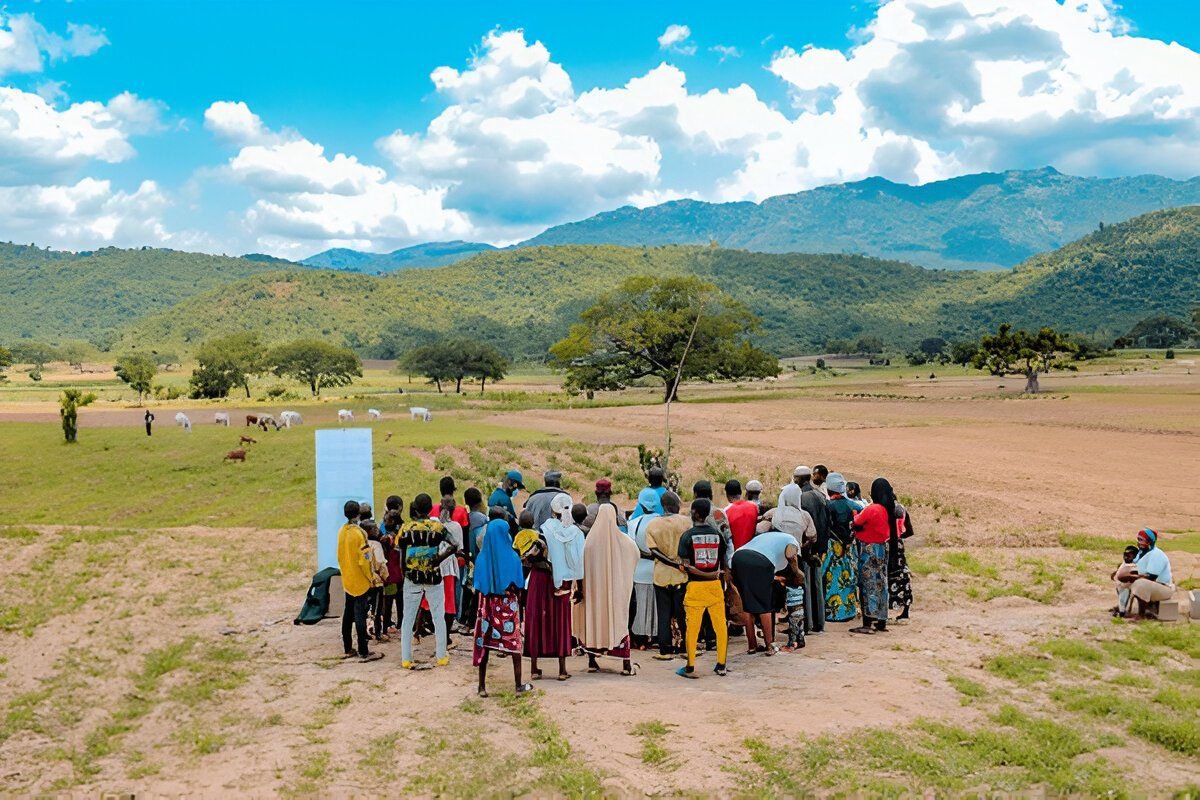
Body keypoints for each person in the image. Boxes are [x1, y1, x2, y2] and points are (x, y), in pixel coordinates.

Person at [473, 511, 531, 697]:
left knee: (485, 644)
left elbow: (477, 586)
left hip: (487, 606)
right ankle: (518, 685)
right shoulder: (513, 558)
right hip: (507, 606)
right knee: (513, 644)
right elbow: (519, 585)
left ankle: (482, 686)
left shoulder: (482, 559)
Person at [577, 504, 639, 675]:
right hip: (616, 593)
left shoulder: (589, 543)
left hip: (594, 593)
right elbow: (636, 554)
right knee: (618, 621)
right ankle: (626, 665)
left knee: (594, 621)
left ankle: (592, 661)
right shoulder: (625, 542)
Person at [397, 493, 456, 669]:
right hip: (433, 576)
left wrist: (404, 572)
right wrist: (439, 558)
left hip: (412, 577)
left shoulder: (406, 528)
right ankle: (441, 656)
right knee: (439, 616)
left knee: (408, 618)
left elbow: (401, 553)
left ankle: (406, 658)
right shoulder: (437, 527)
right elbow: (454, 544)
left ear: (415, 508)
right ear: (431, 508)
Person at [674, 498, 729, 679]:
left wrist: (696, 571)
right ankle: (721, 664)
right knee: (720, 627)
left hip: (695, 587)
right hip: (715, 587)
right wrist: (716, 576)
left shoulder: (687, 536)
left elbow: (685, 566)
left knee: (693, 629)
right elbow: (724, 562)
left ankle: (690, 667)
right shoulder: (717, 535)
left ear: (695, 513)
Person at [525, 493, 574, 681]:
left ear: (552, 510)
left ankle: (534, 668)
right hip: (562, 579)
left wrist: (545, 564)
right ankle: (562, 670)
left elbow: (531, 556)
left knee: (537, 618)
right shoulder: (572, 532)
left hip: (541, 579)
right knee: (560, 620)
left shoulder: (543, 531)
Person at [733, 528, 803, 656]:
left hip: (738, 558)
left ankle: (752, 646)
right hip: (759, 561)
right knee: (764, 605)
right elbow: (790, 554)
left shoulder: (770, 537)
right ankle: (770, 645)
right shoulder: (793, 542)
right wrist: (796, 570)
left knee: (747, 605)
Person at [850, 478, 901, 634]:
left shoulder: (873, 509)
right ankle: (881, 620)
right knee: (881, 584)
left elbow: (856, 522)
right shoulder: (889, 509)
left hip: (869, 549)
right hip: (882, 549)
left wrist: (854, 516)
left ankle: (867, 623)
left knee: (867, 585)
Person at [645, 492, 691, 661]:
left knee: (663, 613)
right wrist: (678, 563)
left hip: (661, 575)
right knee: (682, 612)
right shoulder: (686, 522)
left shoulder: (653, 524)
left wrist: (669, 562)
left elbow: (653, 551)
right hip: (682, 574)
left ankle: (665, 649)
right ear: (677, 505)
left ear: (662, 505)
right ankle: (685, 647)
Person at [337, 501, 382, 662]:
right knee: (360, 615)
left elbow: (339, 555)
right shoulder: (360, 533)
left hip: (347, 578)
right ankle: (364, 651)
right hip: (360, 580)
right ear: (358, 514)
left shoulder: (342, 531)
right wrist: (371, 577)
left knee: (348, 614)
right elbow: (365, 559)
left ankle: (348, 647)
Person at [795, 466, 829, 635]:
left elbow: (804, 526)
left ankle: (806, 623)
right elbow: (825, 524)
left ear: (799, 479)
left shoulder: (801, 498)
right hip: (819, 548)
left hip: (807, 547)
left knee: (805, 586)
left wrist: (805, 548)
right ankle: (819, 623)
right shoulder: (820, 496)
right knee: (817, 585)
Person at [823, 473, 860, 623]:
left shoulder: (828, 506)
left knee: (832, 578)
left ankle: (833, 612)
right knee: (847, 577)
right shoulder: (854, 506)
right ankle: (849, 610)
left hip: (833, 547)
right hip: (850, 548)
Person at [627, 489, 661, 649]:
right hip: (660, 569)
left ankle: (640, 637)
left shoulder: (634, 523)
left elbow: (631, 547)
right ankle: (656, 635)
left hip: (639, 570)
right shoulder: (662, 521)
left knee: (640, 605)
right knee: (658, 605)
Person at [1122, 528, 1174, 620]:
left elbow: (1151, 577)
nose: (1139, 542)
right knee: (1123, 581)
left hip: (1164, 589)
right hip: (1152, 586)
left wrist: (1131, 577)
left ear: (1149, 541)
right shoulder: (1141, 553)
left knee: (1140, 583)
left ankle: (1141, 614)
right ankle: (1122, 609)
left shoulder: (1156, 554)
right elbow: (1135, 567)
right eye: (1138, 539)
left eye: (1141, 540)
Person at [458, 487, 489, 633]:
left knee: (466, 588)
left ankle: (462, 618)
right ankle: (471, 621)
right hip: (477, 559)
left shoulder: (467, 517)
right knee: (475, 591)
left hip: (467, 557)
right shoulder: (482, 519)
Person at [437, 494, 465, 648]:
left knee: (435, 601)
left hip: (435, 565)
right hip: (448, 567)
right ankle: (445, 638)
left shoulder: (434, 524)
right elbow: (459, 549)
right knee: (449, 604)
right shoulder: (455, 527)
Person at [362, 520, 389, 642]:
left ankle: (364, 631)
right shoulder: (376, 545)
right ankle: (377, 632)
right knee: (377, 608)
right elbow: (379, 563)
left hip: (364, 580)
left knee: (365, 607)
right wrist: (385, 576)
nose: (377, 530)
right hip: (376, 581)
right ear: (369, 531)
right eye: (375, 528)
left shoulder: (361, 544)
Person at [888, 500, 915, 623]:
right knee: (903, 577)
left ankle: (884, 612)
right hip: (899, 546)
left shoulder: (884, 509)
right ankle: (905, 610)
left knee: (887, 577)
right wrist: (899, 536)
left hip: (887, 543)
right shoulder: (902, 509)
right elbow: (909, 531)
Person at [380, 508, 404, 636]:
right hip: (400, 574)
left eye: (387, 520)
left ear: (393, 521)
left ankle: (386, 625)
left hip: (390, 575)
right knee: (400, 600)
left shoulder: (386, 539)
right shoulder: (401, 535)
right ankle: (400, 622)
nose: (384, 522)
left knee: (388, 601)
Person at [724, 479, 759, 551]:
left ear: (727, 495)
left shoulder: (726, 511)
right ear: (740, 492)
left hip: (735, 554)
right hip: (752, 551)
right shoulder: (754, 507)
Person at [1110, 545, 1140, 617]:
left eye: (1129, 556)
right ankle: (1122, 608)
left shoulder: (1135, 566)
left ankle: (1123, 611)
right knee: (1121, 594)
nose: (1126, 557)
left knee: (1125, 594)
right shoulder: (1124, 564)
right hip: (1121, 585)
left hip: (1129, 586)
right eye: (1125, 555)